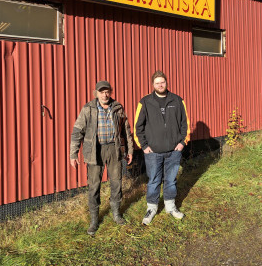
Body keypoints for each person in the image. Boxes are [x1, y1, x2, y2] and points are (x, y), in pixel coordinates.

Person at [70, 81, 133, 235]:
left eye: (107, 92)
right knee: (94, 185)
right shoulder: (88, 109)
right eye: (101, 92)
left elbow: (126, 130)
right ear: (96, 93)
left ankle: (116, 214)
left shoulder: (117, 107)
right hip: (94, 151)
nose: (105, 95)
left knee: (117, 182)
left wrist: (130, 150)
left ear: (110, 92)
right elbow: (77, 131)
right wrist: (73, 153)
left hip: (114, 149)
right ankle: (94, 220)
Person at [134, 70, 190, 225]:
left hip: (174, 151)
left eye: (162, 82)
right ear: (153, 85)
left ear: (167, 82)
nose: (160, 85)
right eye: (157, 82)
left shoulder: (178, 100)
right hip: (152, 152)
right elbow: (137, 127)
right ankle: (151, 208)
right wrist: (144, 146)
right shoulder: (145, 102)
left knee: (171, 180)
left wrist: (182, 142)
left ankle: (170, 207)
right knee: (153, 180)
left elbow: (185, 123)